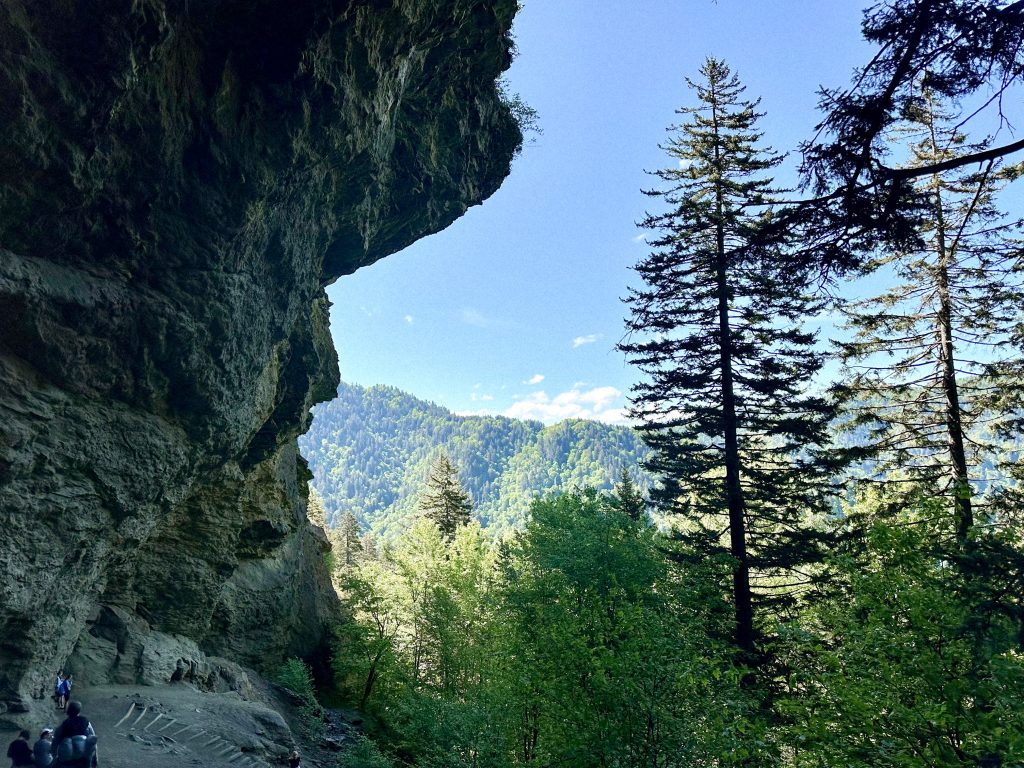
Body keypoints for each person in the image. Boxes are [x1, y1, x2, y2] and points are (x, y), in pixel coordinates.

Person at [50, 701, 97, 768]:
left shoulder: (63, 725)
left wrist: (54, 757)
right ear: (79, 711)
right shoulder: (85, 722)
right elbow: (93, 740)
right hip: (82, 755)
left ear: (68, 711)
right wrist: (95, 757)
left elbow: (55, 742)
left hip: (67, 757)